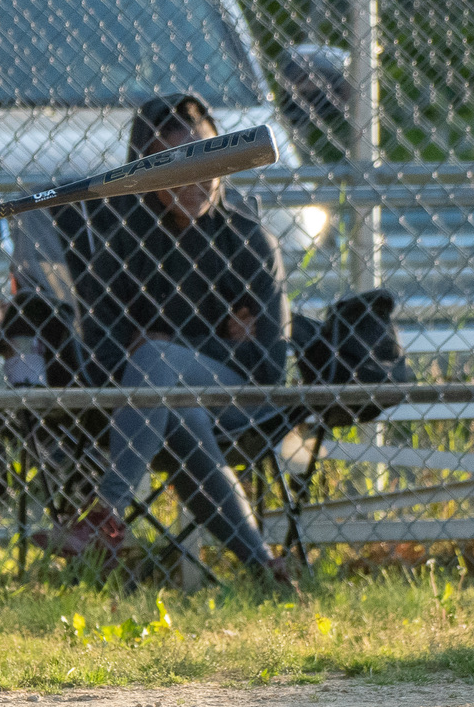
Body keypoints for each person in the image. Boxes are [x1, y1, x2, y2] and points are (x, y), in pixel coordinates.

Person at [41, 93, 297, 586]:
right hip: (144, 408)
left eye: (208, 163)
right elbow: (101, 355)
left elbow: (268, 365)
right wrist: (215, 343)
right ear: (146, 172)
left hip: (241, 400)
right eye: (176, 168)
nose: (196, 181)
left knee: (158, 357)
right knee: (180, 411)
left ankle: (104, 514)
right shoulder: (120, 238)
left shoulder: (249, 239)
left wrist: (166, 344)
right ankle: (264, 567)